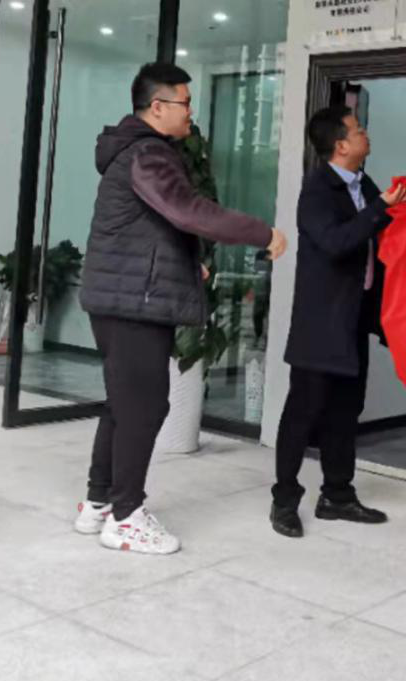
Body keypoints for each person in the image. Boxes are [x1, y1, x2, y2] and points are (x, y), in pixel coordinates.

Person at [76, 62, 287, 555]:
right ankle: (126, 517)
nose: (191, 111)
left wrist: (190, 266)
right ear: (157, 107)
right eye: (185, 102)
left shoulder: (134, 151)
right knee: (144, 406)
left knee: (124, 404)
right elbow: (188, 211)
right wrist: (262, 232)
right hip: (134, 304)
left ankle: (99, 502)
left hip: (124, 297)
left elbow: (149, 230)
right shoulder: (148, 153)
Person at [270, 106, 406, 537]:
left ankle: (337, 495)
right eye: (358, 129)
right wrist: (380, 209)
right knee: (302, 413)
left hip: (353, 318)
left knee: (346, 411)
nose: (366, 134)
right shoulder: (316, 191)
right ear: (341, 145)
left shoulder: (362, 183)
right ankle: (284, 500)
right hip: (320, 322)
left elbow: (381, 232)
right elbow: (335, 242)